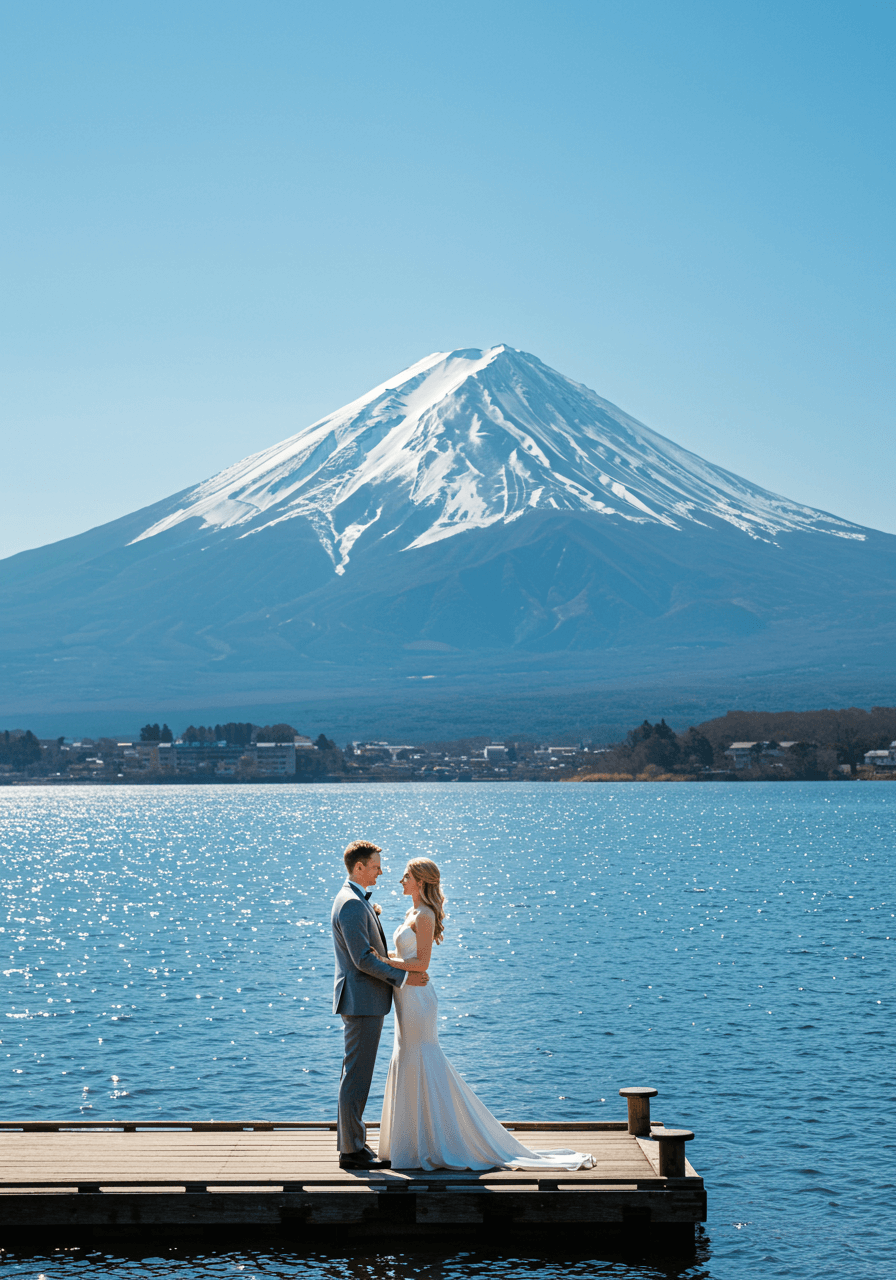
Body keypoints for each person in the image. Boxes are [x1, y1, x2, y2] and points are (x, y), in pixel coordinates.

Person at [378, 857, 594, 1171]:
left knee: (421, 1057)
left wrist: (382, 960)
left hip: (418, 998)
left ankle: (435, 1141)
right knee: (408, 1057)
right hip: (405, 996)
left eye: (406, 876)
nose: (400, 881)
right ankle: (411, 1143)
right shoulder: (411, 912)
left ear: (420, 881)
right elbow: (406, 956)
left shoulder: (424, 915)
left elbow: (421, 964)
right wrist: (388, 959)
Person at [331, 839, 429, 1169]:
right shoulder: (352, 905)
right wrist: (403, 978)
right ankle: (351, 1151)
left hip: (363, 1000)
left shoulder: (356, 901)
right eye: (375, 866)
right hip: (361, 1001)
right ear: (358, 867)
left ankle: (352, 1142)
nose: (381, 871)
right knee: (356, 1077)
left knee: (355, 1074)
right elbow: (362, 960)